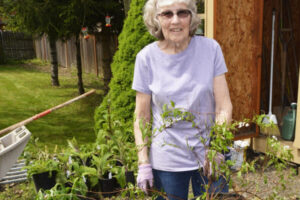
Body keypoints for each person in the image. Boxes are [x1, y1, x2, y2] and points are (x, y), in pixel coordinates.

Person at [132, 0, 233, 199]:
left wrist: (217, 147)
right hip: (167, 161)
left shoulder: (211, 49)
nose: (175, 20)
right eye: (167, 14)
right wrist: (143, 162)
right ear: (156, 19)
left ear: (192, 17)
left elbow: (223, 106)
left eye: (182, 13)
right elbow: (141, 116)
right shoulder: (146, 58)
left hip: (209, 156)